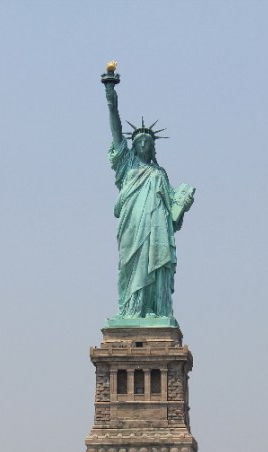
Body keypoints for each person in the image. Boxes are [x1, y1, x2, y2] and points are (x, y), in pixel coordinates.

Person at [104, 77, 195, 322]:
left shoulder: (160, 174)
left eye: (148, 142)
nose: (143, 144)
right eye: (139, 142)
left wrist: (183, 203)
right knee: (130, 265)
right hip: (132, 225)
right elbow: (115, 128)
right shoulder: (127, 165)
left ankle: (154, 310)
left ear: (153, 147)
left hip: (157, 230)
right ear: (133, 146)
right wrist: (110, 96)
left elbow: (173, 214)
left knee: (153, 264)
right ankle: (131, 311)